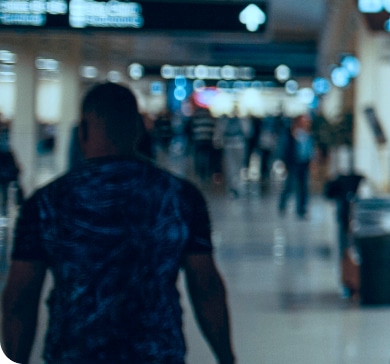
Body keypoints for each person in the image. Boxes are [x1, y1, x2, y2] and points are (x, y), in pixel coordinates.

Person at [1, 83, 235, 364]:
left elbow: (20, 300)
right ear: (139, 130)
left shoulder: (47, 202)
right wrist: (226, 357)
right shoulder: (180, 198)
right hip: (156, 355)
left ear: (82, 131)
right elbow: (206, 287)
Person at [277, 117, 314, 219]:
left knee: (303, 187)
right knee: (290, 185)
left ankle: (301, 209)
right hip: (293, 164)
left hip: (304, 163)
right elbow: (285, 149)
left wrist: (311, 161)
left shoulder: (309, 135)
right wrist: (285, 163)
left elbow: (310, 150)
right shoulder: (291, 134)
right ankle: (282, 204)